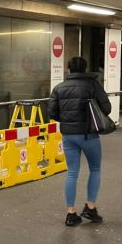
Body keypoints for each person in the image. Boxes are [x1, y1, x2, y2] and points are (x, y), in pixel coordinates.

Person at [48, 56, 111, 227]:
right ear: (85, 69)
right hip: (88, 135)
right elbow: (107, 108)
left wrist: (68, 119)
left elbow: (52, 113)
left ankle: (71, 213)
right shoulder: (92, 85)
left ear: (69, 69)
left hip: (68, 135)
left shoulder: (59, 88)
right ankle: (90, 207)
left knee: (72, 172)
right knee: (95, 169)